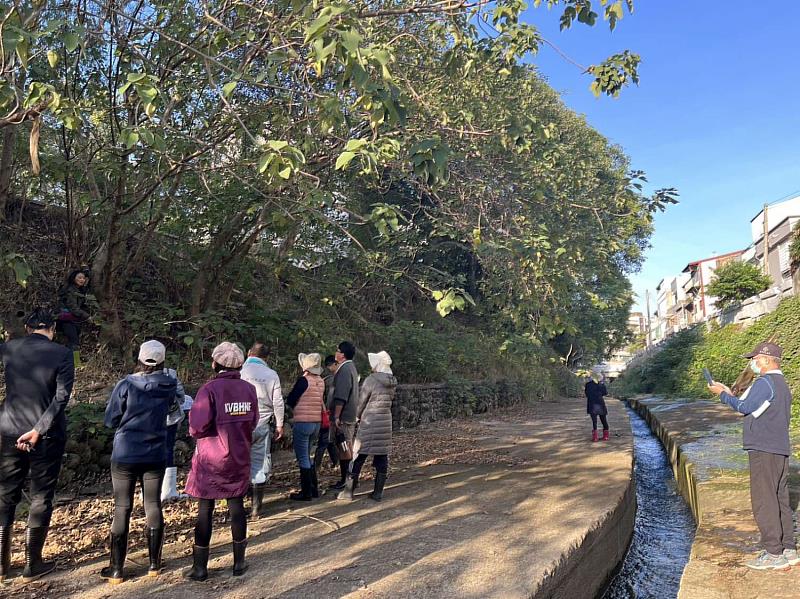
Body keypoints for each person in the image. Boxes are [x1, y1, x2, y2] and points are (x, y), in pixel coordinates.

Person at [708, 341, 797, 571]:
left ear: (767, 360)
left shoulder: (765, 382)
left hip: (763, 449)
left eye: (754, 359)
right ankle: (788, 548)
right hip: (779, 449)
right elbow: (755, 408)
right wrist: (731, 395)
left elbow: (744, 408)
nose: (752, 363)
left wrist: (722, 395)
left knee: (763, 501)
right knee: (779, 499)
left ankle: (773, 553)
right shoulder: (781, 384)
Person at [0, 308, 74, 583]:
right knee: (42, 495)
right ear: (52, 329)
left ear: (28, 328)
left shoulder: (9, 349)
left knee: (6, 492)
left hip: (9, 428)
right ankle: (33, 563)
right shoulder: (62, 353)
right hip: (46, 434)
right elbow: (61, 398)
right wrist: (38, 430)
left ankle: (2, 565)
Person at [101, 340, 178, 584]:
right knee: (152, 504)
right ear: (163, 361)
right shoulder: (169, 385)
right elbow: (174, 413)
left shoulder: (125, 385)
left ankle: (116, 569)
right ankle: (154, 564)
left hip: (125, 452)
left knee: (122, 507)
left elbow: (111, 419)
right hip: (155, 452)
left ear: (140, 359)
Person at [185, 342, 258, 581]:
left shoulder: (209, 390)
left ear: (215, 364)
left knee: (205, 509)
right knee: (236, 507)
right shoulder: (248, 390)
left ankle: (200, 568)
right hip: (238, 457)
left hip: (210, 460)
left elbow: (196, 427)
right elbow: (254, 421)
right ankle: (239, 563)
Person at [338, 351, 397, 502]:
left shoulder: (372, 380)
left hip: (370, 421)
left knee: (358, 455)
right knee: (382, 456)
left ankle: (348, 492)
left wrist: (356, 417)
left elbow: (362, 400)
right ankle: (378, 492)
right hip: (385, 421)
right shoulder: (392, 381)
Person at [240, 342, 284, 518]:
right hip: (262, 423)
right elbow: (278, 401)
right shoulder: (271, 374)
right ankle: (256, 508)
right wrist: (280, 424)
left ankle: (237, 503)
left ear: (249, 353)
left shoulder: (240, 371)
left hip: (240, 424)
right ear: (266, 357)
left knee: (239, 462)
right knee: (258, 464)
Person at [284, 353, 325, 501]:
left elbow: (291, 399)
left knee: (302, 457)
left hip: (303, 422)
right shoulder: (321, 381)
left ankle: (306, 492)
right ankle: (313, 489)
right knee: (308, 455)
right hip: (316, 422)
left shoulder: (303, 381)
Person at [330, 341, 359, 491]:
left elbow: (341, 395)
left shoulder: (345, 370)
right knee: (345, 445)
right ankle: (347, 479)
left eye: (337, 350)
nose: (336, 352)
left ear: (342, 354)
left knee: (345, 446)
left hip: (344, 416)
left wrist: (336, 416)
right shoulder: (351, 368)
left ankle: (348, 480)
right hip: (349, 414)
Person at [56, 269, 91, 366]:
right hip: (66, 320)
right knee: (74, 342)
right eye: (79, 277)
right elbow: (73, 308)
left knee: (71, 341)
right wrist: (87, 317)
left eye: (83, 278)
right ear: (73, 278)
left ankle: (69, 362)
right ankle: (76, 364)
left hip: (72, 320)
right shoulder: (71, 290)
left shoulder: (79, 290)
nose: (82, 280)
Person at [313, 355, 339, 474]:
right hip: (328, 414)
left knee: (329, 441)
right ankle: (316, 465)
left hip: (323, 414)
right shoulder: (333, 380)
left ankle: (336, 461)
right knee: (325, 441)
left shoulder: (325, 379)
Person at [584, 374, 609, 442]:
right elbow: (605, 393)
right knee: (604, 420)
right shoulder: (601, 385)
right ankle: (605, 436)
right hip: (600, 404)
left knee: (594, 422)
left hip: (592, 404)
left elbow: (586, 394)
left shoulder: (588, 384)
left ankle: (595, 437)